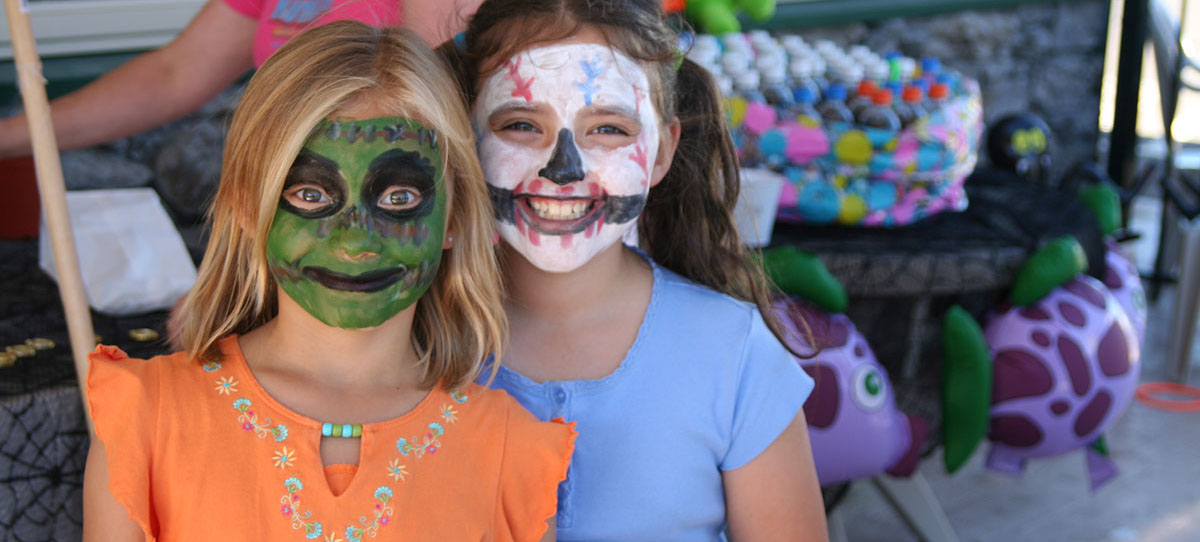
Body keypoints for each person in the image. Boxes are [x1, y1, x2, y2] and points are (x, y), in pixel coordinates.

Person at [82, 21, 574, 542]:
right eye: (311, 196)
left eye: (399, 199)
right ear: (250, 207)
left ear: (454, 218)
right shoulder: (146, 419)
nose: (354, 242)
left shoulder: (510, 450)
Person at [443, 1, 828, 540]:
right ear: (466, 134)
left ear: (661, 151)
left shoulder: (734, 356)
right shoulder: (416, 341)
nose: (563, 169)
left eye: (607, 129)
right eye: (522, 124)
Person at [0, 0, 482, 158]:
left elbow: (428, 138)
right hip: (287, 221)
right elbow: (174, 74)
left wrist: (269, 279)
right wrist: (10, 137)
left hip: (402, 253)